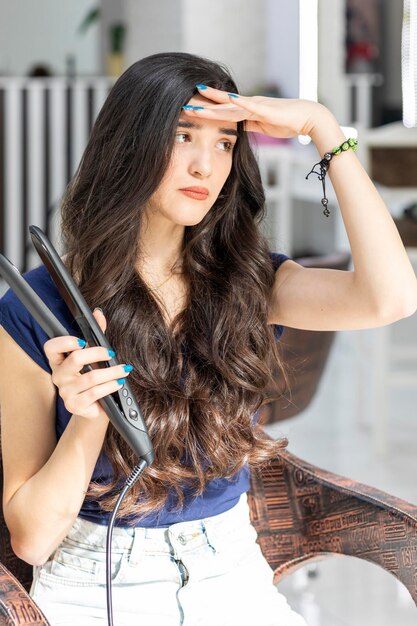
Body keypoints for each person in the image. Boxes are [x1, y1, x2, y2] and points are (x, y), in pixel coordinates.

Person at [0, 51, 416, 626]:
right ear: (129, 145)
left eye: (225, 143)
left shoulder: (250, 282)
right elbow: (33, 539)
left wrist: (324, 128)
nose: (207, 166)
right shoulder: (36, 308)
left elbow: (391, 298)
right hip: (94, 583)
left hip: (232, 574)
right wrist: (91, 420)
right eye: (183, 135)